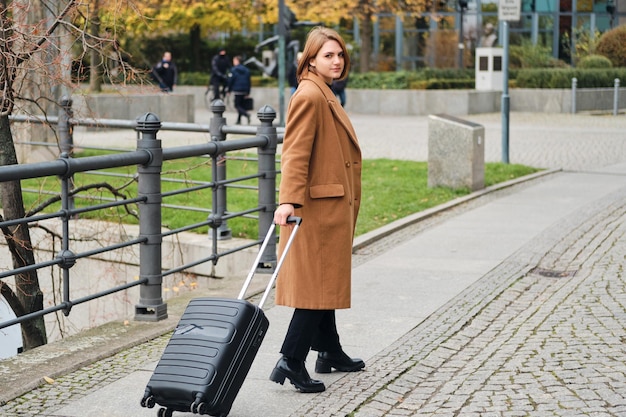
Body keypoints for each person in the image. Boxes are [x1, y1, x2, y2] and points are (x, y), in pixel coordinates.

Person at [269, 26, 364, 394]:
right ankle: (291, 360)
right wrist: (287, 200)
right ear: (309, 59)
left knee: (325, 281)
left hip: (329, 206)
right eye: (328, 55)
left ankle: (329, 351)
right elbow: (294, 152)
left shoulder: (324, 91)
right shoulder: (310, 95)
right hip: (316, 209)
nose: (337, 61)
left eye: (339, 54)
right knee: (316, 286)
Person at [227, 55, 252, 125]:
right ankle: (238, 120)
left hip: (237, 90)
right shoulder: (247, 70)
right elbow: (249, 81)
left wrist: (228, 90)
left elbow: (230, 81)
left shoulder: (233, 70)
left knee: (237, 105)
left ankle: (246, 114)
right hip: (244, 90)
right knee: (241, 105)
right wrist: (248, 91)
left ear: (237, 61)